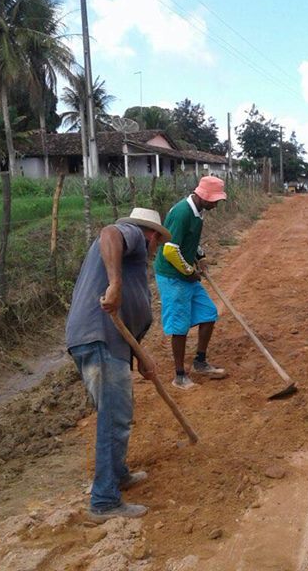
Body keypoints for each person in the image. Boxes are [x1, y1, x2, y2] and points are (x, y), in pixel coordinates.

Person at [65, 208, 170, 521]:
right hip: (100, 338)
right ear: (151, 235)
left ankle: (118, 474)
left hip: (106, 341)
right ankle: (105, 500)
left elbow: (130, 319)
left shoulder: (133, 258)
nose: (155, 249)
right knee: (113, 419)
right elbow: (108, 232)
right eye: (157, 242)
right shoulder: (132, 235)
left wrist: (143, 358)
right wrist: (115, 285)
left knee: (117, 412)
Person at [154, 176, 228, 390]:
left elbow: (190, 242)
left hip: (186, 273)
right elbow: (169, 249)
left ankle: (200, 362)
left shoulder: (198, 212)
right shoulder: (182, 213)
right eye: (214, 200)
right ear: (203, 196)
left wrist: (201, 256)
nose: (215, 204)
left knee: (208, 313)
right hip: (172, 276)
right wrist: (189, 272)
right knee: (180, 326)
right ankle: (179, 376)